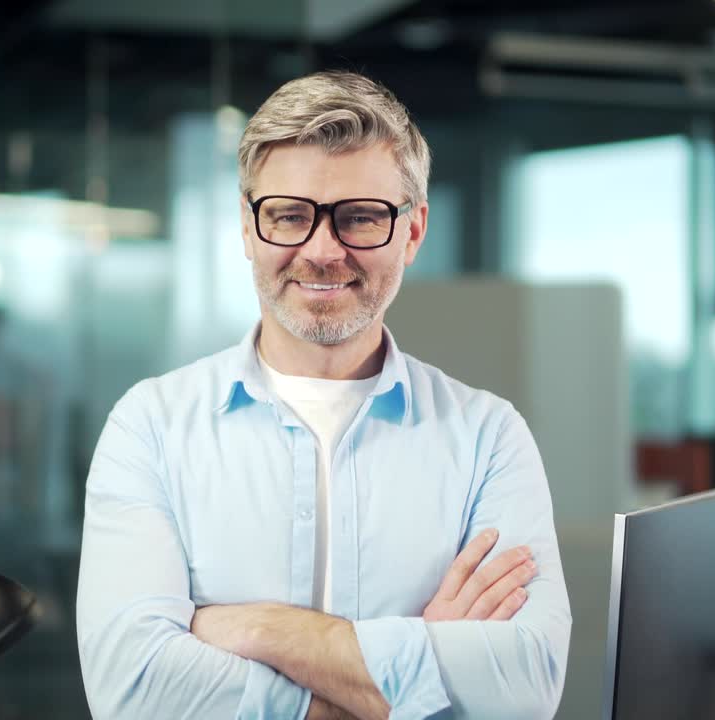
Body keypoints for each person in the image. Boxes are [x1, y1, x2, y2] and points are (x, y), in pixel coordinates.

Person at [76, 71, 570, 720]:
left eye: (360, 218)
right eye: (288, 216)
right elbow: (133, 686)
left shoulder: (487, 438)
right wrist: (412, 672)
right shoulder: (151, 427)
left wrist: (261, 630)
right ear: (249, 230)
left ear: (413, 232)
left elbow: (526, 686)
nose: (321, 250)